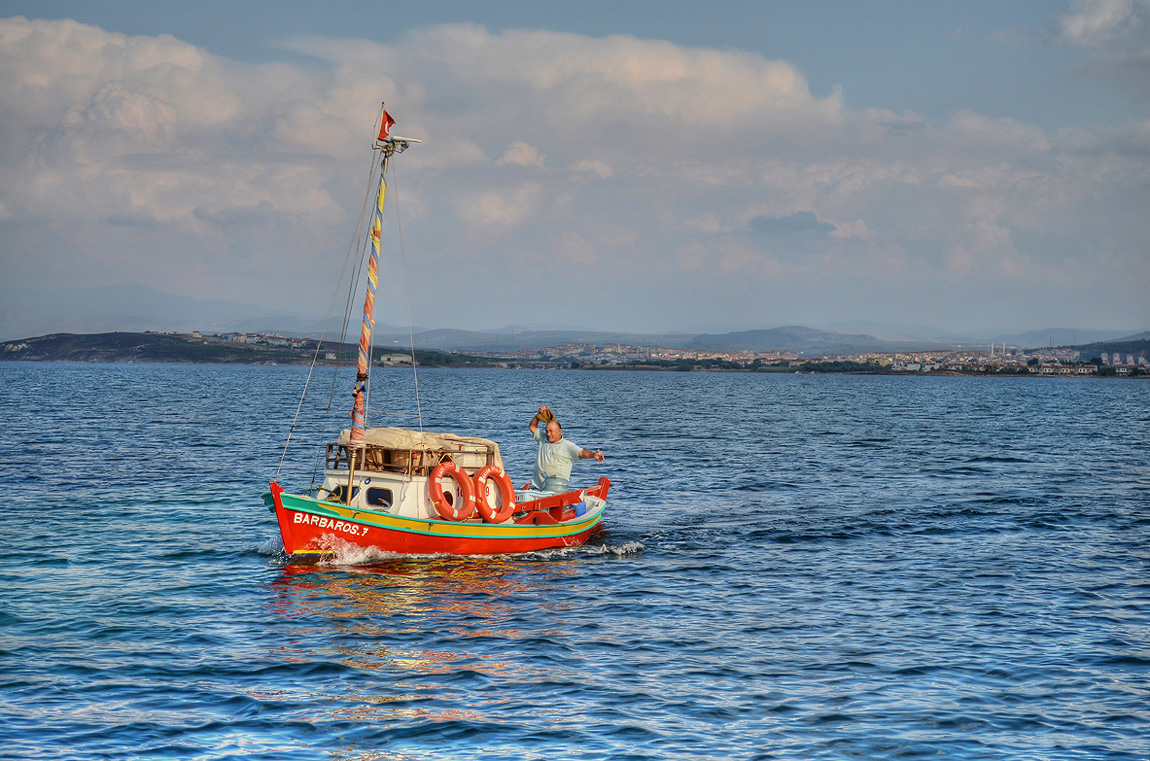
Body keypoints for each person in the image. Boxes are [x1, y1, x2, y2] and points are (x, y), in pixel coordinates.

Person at [527, 405, 605, 494]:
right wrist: (538, 416)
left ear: (559, 431)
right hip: (539, 487)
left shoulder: (567, 446)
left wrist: (593, 455)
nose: (548, 434)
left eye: (551, 431)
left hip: (557, 488)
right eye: (547, 431)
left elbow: (582, 452)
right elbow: (532, 427)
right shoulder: (543, 439)